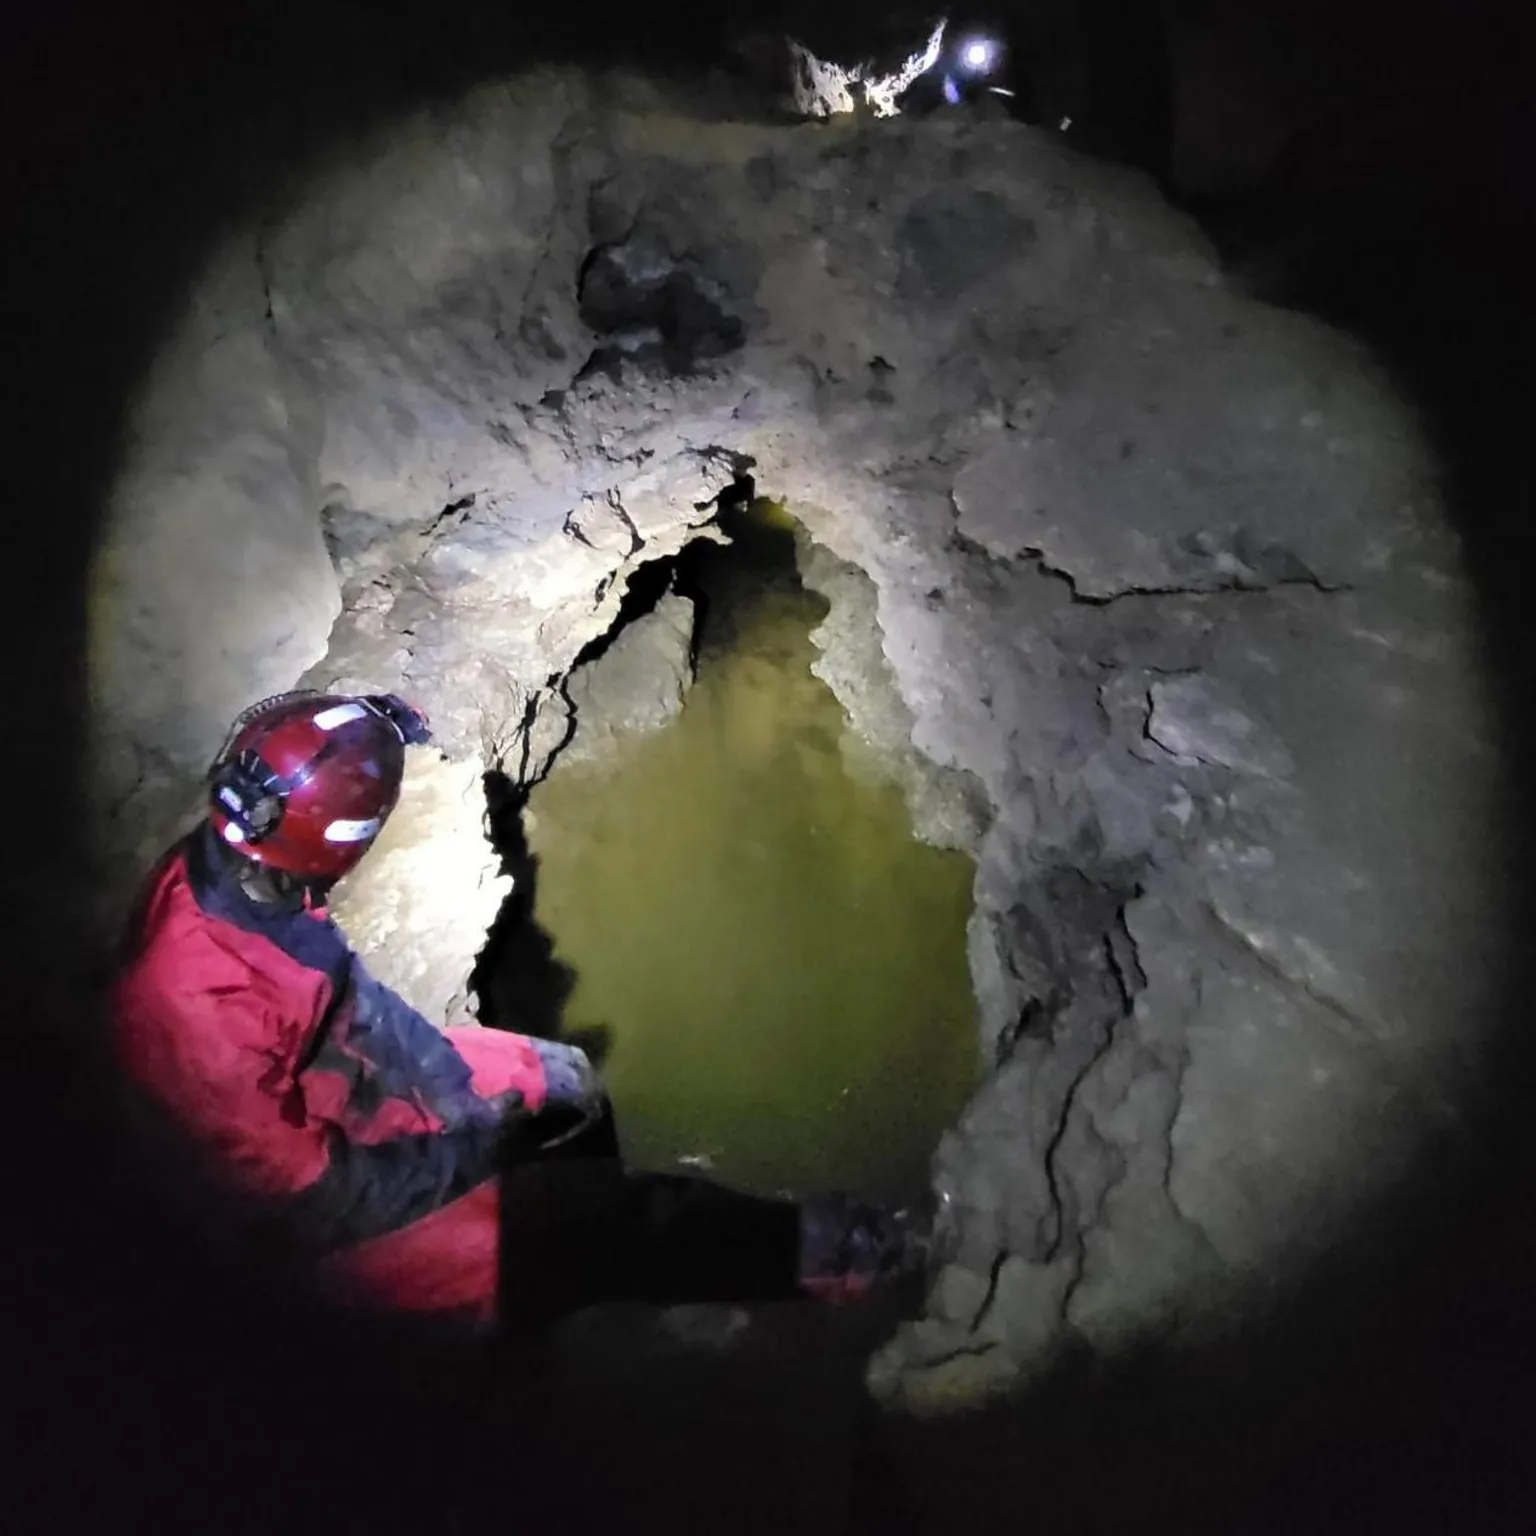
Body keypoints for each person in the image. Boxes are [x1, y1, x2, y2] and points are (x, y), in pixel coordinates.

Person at [112, 689, 914, 1324]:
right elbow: (313, 1202)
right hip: (320, 1224)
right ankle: (826, 1256)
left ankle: (592, 1255)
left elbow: (351, 998)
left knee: (562, 1078)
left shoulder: (250, 859)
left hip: (343, 1085)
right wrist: (477, 1149)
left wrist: (440, 1073)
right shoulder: (191, 1008)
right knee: (593, 1225)